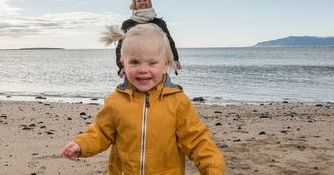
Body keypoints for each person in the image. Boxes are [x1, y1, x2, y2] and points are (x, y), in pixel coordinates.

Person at [60, 24, 225, 175]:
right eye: (135, 62)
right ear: (123, 64)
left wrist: (212, 168)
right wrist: (81, 145)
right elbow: (101, 132)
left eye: (152, 63)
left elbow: (196, 140)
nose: (143, 70)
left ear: (165, 64)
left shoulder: (178, 102)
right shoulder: (116, 101)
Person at [115, 0, 180, 77]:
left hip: (156, 66)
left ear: (149, 2)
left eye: (145, 0)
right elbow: (120, 47)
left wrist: (175, 59)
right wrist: (121, 67)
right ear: (135, 4)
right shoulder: (128, 24)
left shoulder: (159, 23)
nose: (142, 2)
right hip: (134, 66)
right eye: (139, 1)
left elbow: (169, 42)